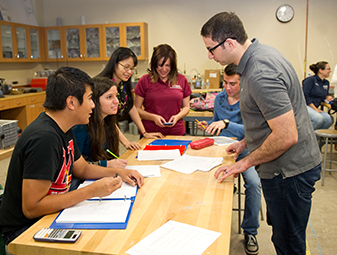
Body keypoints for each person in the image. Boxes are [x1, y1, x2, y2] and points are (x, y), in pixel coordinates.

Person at [201, 12, 321, 255]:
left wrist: (245, 162)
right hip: (288, 166)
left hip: (288, 171)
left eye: (211, 49)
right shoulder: (262, 54)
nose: (210, 56)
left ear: (230, 44)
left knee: (289, 242)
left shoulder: (259, 73)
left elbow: (286, 135)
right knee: (285, 232)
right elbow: (272, 119)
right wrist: (247, 141)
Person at [0, 67, 144, 253]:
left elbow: (81, 168)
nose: (93, 105)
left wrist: (120, 172)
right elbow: (31, 208)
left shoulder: (64, 128)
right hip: (24, 230)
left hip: (51, 213)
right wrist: (91, 191)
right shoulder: (44, 138)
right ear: (71, 102)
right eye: (90, 98)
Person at [197, 63, 261, 255]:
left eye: (232, 83)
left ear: (243, 83)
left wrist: (226, 124)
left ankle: (250, 231)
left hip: (245, 150)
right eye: (225, 82)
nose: (227, 87)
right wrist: (208, 126)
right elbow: (217, 122)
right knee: (202, 177)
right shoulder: (220, 98)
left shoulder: (251, 100)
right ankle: (206, 223)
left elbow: (252, 131)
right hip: (221, 147)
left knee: (254, 183)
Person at [97, 47, 163, 148]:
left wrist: (144, 132)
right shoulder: (103, 85)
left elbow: (131, 107)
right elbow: (108, 120)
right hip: (98, 133)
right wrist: (126, 142)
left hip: (112, 133)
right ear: (115, 64)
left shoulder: (123, 84)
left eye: (132, 68)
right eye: (126, 67)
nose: (129, 71)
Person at [70, 77, 129, 190]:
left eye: (116, 96)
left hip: (99, 178)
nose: (116, 101)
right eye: (109, 97)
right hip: (82, 184)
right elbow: (75, 167)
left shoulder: (107, 122)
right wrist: (106, 165)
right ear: (94, 101)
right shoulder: (80, 127)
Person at [134, 44, 192, 136]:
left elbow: (186, 107)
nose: (164, 69)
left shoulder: (182, 80)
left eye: (167, 65)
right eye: (160, 65)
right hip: (150, 133)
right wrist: (153, 117)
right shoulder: (144, 80)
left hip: (176, 133)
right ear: (154, 64)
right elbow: (136, 109)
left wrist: (177, 117)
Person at [302, 61, 333, 130]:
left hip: (315, 108)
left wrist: (327, 97)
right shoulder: (310, 80)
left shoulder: (326, 83)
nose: (330, 71)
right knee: (318, 119)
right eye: (328, 69)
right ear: (321, 70)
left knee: (329, 120)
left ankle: (316, 138)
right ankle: (305, 138)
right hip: (304, 106)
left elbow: (321, 94)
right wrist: (315, 109)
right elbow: (304, 95)